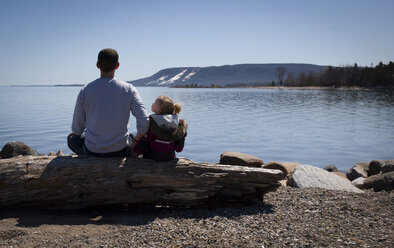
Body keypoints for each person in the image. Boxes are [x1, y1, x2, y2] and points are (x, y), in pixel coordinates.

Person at [68, 48, 149, 157]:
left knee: (72, 139)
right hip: (121, 150)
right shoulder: (129, 89)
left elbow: (77, 129)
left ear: (97, 65)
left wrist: (76, 133)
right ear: (117, 65)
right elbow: (144, 122)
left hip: (93, 151)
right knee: (133, 137)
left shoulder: (86, 90)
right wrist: (136, 141)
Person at [133, 96, 187, 161]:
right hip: (169, 157)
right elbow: (179, 149)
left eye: (155, 103)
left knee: (132, 137)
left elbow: (143, 143)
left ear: (158, 110)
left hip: (152, 157)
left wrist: (135, 150)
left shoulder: (153, 123)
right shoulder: (177, 124)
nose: (152, 103)